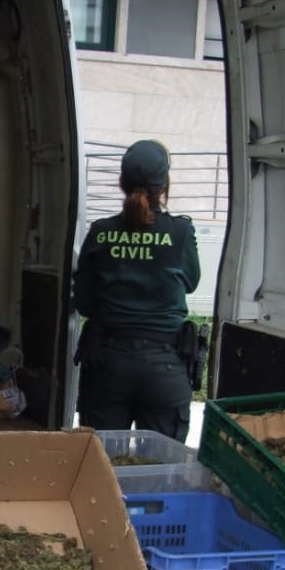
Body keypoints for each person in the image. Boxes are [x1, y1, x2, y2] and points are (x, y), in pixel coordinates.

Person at [72, 139, 202, 440]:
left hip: (107, 365)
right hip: (165, 366)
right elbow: (191, 282)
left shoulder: (101, 231)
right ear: (164, 185)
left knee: (101, 459)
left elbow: (85, 302)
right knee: (161, 463)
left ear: (121, 182)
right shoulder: (180, 231)